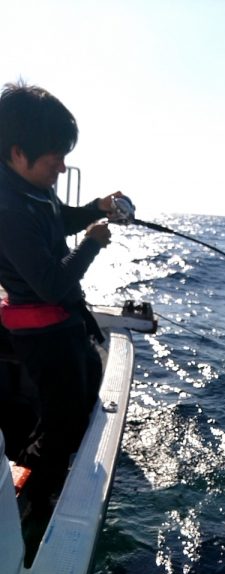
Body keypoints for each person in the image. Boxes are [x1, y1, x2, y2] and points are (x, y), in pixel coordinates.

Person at [0, 81, 125, 513]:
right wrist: (92, 243)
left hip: (62, 321)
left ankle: (41, 475)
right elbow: (51, 283)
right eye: (55, 156)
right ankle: (27, 498)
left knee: (83, 388)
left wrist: (96, 208)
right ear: (19, 153)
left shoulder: (32, 189)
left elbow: (57, 221)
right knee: (61, 424)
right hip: (41, 333)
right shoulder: (7, 210)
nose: (62, 165)